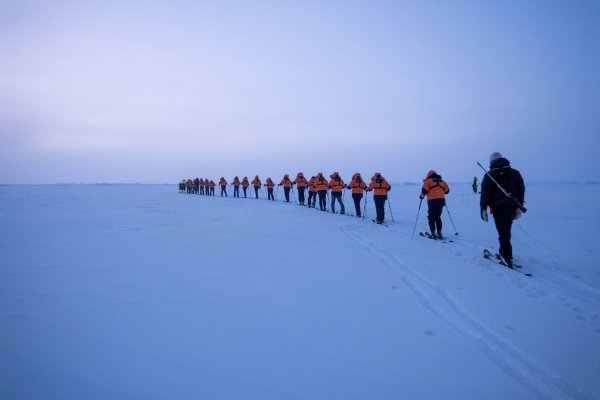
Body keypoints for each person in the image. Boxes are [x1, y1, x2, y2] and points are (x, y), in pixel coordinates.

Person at [480, 152, 525, 267]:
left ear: (491, 162)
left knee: (503, 232)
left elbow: (485, 193)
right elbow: (521, 189)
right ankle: (504, 252)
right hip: (512, 206)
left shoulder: (489, 175)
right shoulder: (514, 173)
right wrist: (519, 205)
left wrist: (483, 208)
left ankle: (506, 257)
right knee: (506, 230)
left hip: (497, 207)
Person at [420, 170, 450, 239]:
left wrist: (421, 197)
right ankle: (439, 233)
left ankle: (433, 233)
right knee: (438, 217)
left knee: (431, 217)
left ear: (428, 175)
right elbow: (447, 191)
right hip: (441, 201)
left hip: (432, 201)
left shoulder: (428, 181)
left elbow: (424, 191)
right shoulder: (442, 181)